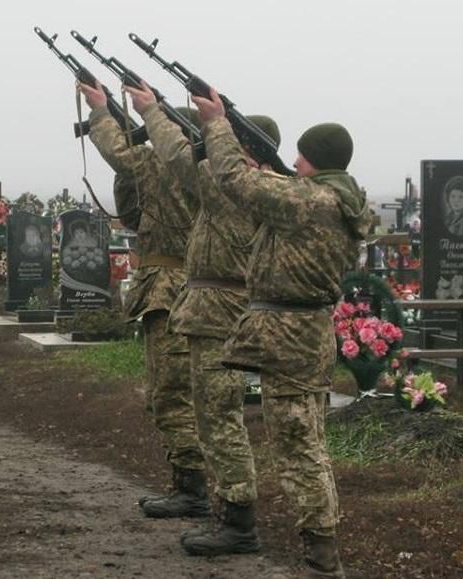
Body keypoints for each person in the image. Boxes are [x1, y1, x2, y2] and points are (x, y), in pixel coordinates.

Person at [192, 88, 371, 578]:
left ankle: (323, 558)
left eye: (301, 156)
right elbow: (270, 186)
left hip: (289, 336)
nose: (293, 163)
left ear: (316, 160)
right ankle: (321, 549)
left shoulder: (309, 201)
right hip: (305, 334)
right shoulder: (331, 199)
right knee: (305, 440)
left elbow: (234, 180)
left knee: (297, 446)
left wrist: (217, 124)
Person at [123, 81, 268, 557]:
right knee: (212, 418)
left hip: (221, 314)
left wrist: (153, 112)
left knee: (221, 420)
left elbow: (178, 158)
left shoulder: (240, 190)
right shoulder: (255, 190)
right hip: (215, 311)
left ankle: (238, 522)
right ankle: (226, 512)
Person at [78, 81, 209, 520]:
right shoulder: (209, 171)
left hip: (169, 290)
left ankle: (192, 489)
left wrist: (101, 111)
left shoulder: (165, 166)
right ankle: (191, 482)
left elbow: (118, 153)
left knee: (171, 395)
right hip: (195, 289)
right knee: (181, 393)